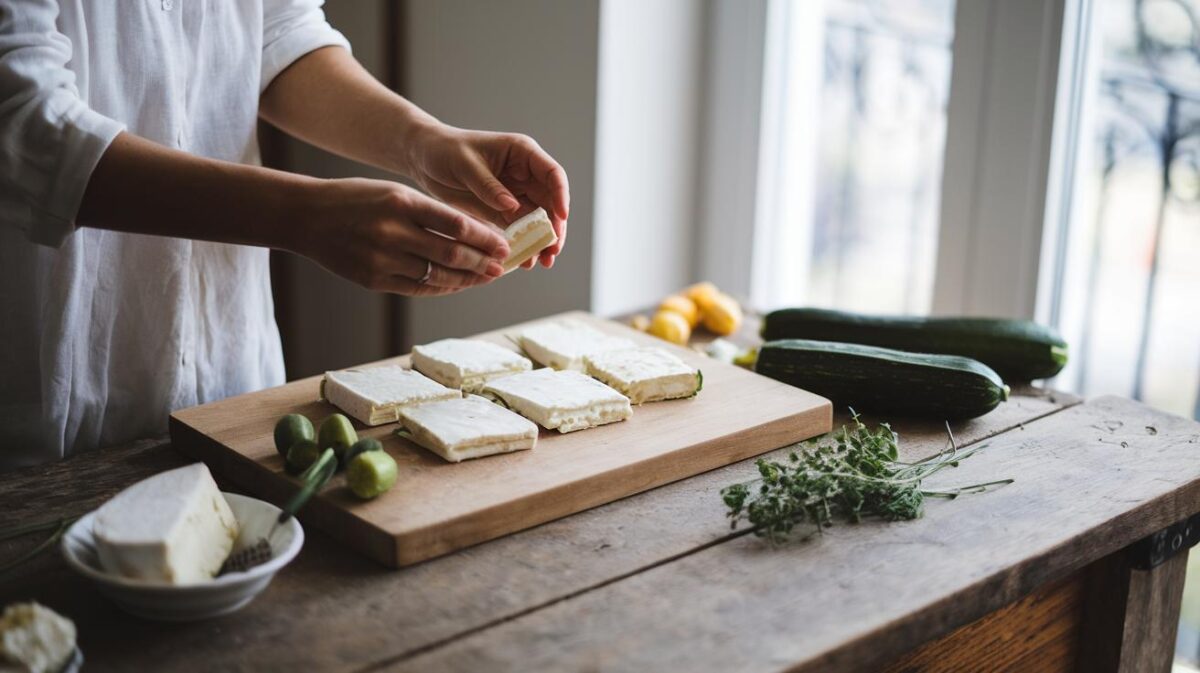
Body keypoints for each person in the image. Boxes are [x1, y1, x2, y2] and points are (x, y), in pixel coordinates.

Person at [0, 1, 570, 469]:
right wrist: (301, 216)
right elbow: (25, 123)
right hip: (50, 402)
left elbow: (278, 33)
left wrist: (423, 143)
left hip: (231, 384)